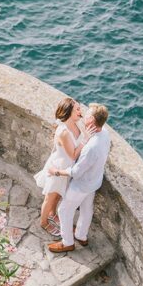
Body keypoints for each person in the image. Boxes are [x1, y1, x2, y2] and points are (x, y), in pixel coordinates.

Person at [47, 103, 111, 252]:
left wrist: (56, 171)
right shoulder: (105, 133)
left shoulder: (90, 147)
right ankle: (81, 236)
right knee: (86, 209)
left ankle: (67, 242)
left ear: (92, 120)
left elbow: (76, 172)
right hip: (95, 181)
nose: (84, 114)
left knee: (63, 210)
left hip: (81, 185)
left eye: (87, 114)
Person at [33, 98, 89, 238]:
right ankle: (44, 222)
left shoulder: (76, 125)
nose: (79, 111)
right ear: (69, 112)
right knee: (51, 197)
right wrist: (85, 140)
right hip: (59, 167)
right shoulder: (64, 132)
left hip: (67, 169)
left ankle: (52, 214)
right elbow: (73, 155)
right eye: (77, 109)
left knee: (58, 195)